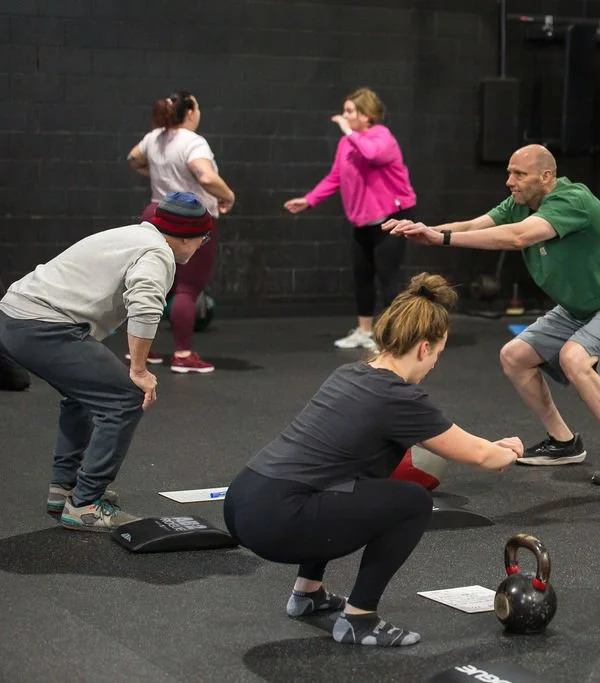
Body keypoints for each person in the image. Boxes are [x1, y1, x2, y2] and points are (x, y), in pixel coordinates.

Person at [222, 274, 522, 647]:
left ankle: (308, 595)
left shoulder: (348, 373)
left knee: (352, 482)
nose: (433, 366)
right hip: (276, 519)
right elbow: (481, 457)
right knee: (412, 502)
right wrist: (509, 451)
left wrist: (489, 448)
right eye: (438, 356)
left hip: (243, 501)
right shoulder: (400, 397)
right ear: (424, 348)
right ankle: (360, 620)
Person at [384, 145, 600, 486]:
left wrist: (441, 238)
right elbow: (475, 225)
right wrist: (426, 230)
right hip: (583, 305)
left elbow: (518, 237)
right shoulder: (519, 203)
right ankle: (564, 443)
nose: (509, 181)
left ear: (546, 177)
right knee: (515, 356)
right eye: (509, 172)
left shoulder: (571, 199)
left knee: (574, 358)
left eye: (519, 174)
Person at [0, 193, 213, 530]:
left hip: (15, 318)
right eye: (204, 238)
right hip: (42, 326)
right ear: (187, 236)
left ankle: (64, 488)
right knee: (126, 398)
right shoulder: (157, 253)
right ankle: (85, 504)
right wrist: (139, 371)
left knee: (83, 395)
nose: (203, 245)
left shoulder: (132, 235)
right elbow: (145, 307)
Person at [284, 87, 417, 351]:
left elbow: (372, 154)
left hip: (391, 217)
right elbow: (335, 177)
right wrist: (309, 199)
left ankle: (394, 338)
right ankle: (365, 332)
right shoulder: (347, 143)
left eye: (349, 112)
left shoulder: (382, 137)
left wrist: (349, 131)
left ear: (366, 115)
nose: (343, 116)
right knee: (362, 276)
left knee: (388, 277)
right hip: (362, 220)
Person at [127, 90, 235, 374]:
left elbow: (133, 159)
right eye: (197, 107)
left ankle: (142, 350)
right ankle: (183, 355)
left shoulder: (155, 137)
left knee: (156, 284)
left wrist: (159, 173)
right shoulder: (193, 141)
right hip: (188, 218)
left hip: (156, 212)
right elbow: (205, 176)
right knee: (187, 288)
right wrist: (228, 195)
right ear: (190, 112)